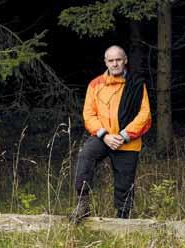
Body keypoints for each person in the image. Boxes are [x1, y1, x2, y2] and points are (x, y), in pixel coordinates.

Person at [69, 45, 152, 224]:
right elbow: (88, 114)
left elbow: (144, 114)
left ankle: (122, 222)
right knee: (86, 156)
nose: (115, 64)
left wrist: (123, 136)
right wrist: (105, 135)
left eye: (118, 60)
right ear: (105, 62)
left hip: (127, 140)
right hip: (102, 137)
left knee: (124, 183)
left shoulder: (136, 83)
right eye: (111, 60)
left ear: (125, 61)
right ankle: (82, 205)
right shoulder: (95, 84)